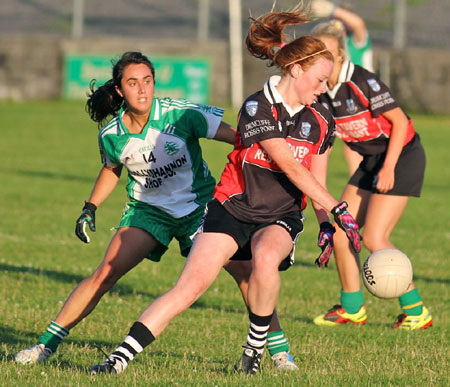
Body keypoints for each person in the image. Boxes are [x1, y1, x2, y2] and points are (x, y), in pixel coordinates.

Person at [87, 5, 361, 376]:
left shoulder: (322, 120)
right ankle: (117, 360)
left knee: (265, 259)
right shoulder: (256, 107)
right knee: (189, 287)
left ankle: (253, 353)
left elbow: (315, 180)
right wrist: (341, 209)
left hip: (279, 215)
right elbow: (290, 164)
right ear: (296, 71)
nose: (324, 89)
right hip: (230, 207)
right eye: (320, 80)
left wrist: (326, 221)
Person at [14, 51, 297, 370]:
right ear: (120, 90)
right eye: (133, 83)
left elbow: (241, 139)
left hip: (200, 208)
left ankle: (280, 354)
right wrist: (90, 207)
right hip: (149, 211)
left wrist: (274, 167)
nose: (142, 89)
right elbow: (112, 169)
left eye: (147, 81)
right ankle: (44, 346)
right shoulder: (112, 135)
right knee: (104, 274)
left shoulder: (181, 114)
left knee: (247, 275)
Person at [311, 21, 432, 330]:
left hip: (401, 156)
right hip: (372, 161)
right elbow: (333, 146)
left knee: (375, 237)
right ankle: (352, 309)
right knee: (340, 232)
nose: (318, 57)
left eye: (325, 52)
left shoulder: (362, 81)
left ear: (339, 55)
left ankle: (416, 311)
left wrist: (389, 167)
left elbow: (400, 123)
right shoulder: (321, 92)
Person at [311, 0, 372, 175]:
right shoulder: (328, 46)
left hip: (359, 97)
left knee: (358, 141)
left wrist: (333, 10)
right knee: (326, 137)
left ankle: (362, 180)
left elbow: (358, 24)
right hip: (332, 95)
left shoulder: (357, 43)